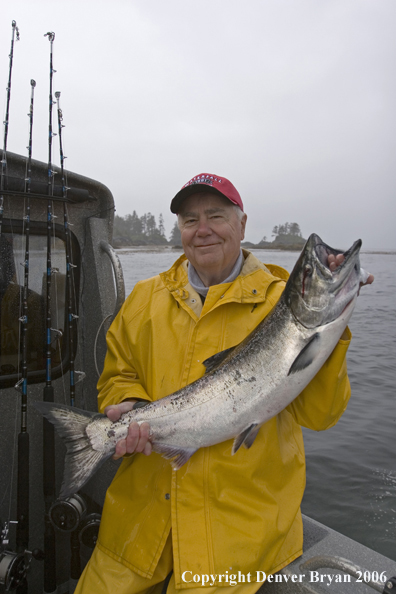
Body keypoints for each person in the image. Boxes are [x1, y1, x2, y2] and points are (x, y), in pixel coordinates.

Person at [75, 173, 373, 594]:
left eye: (216, 215)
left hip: (237, 539)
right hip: (136, 527)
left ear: (242, 225)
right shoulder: (144, 299)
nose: (203, 230)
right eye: (190, 220)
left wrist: (333, 334)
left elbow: (320, 415)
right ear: (180, 230)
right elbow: (119, 374)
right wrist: (127, 403)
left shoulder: (278, 300)